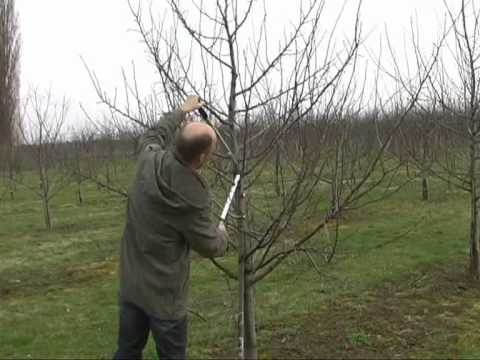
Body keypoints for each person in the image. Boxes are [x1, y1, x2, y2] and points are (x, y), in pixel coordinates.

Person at [113, 95, 228, 360]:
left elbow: (155, 133)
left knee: (127, 351)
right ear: (200, 158)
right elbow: (209, 245)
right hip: (166, 300)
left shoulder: (147, 159)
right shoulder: (194, 196)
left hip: (132, 287)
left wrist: (180, 111)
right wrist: (222, 235)